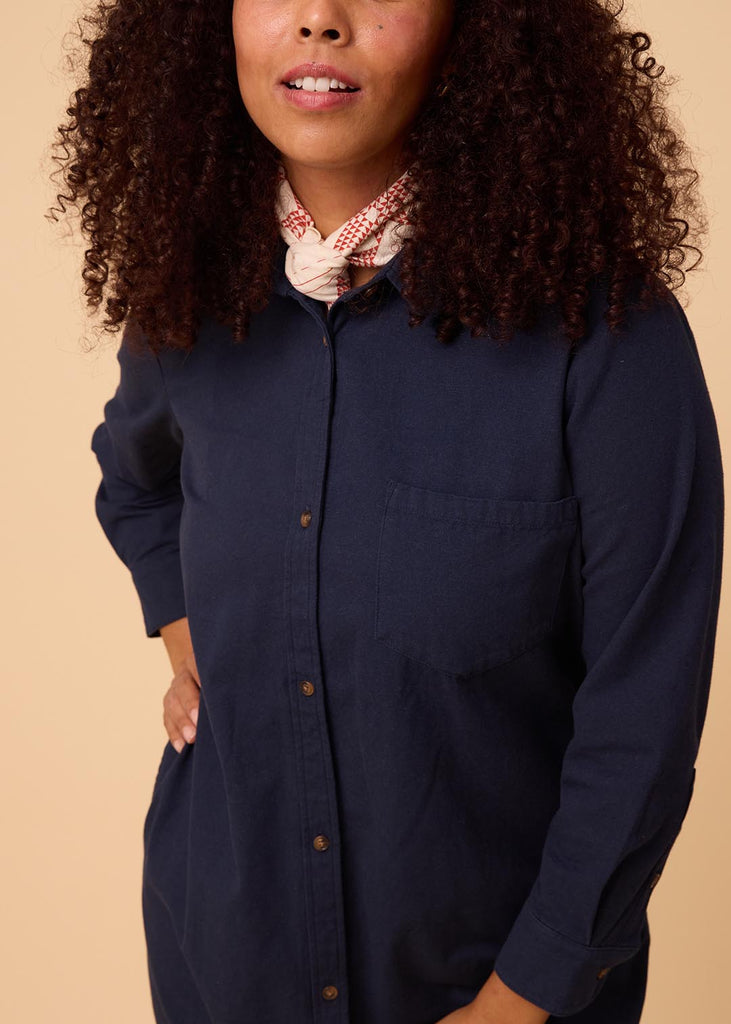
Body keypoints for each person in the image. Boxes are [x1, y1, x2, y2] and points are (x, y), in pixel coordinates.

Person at [51, 0, 723, 1021]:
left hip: (493, 990)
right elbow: (132, 476)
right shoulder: (184, 295)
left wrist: (519, 998)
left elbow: (641, 713)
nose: (320, 19)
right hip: (220, 961)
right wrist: (182, 622)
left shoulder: (607, 335)